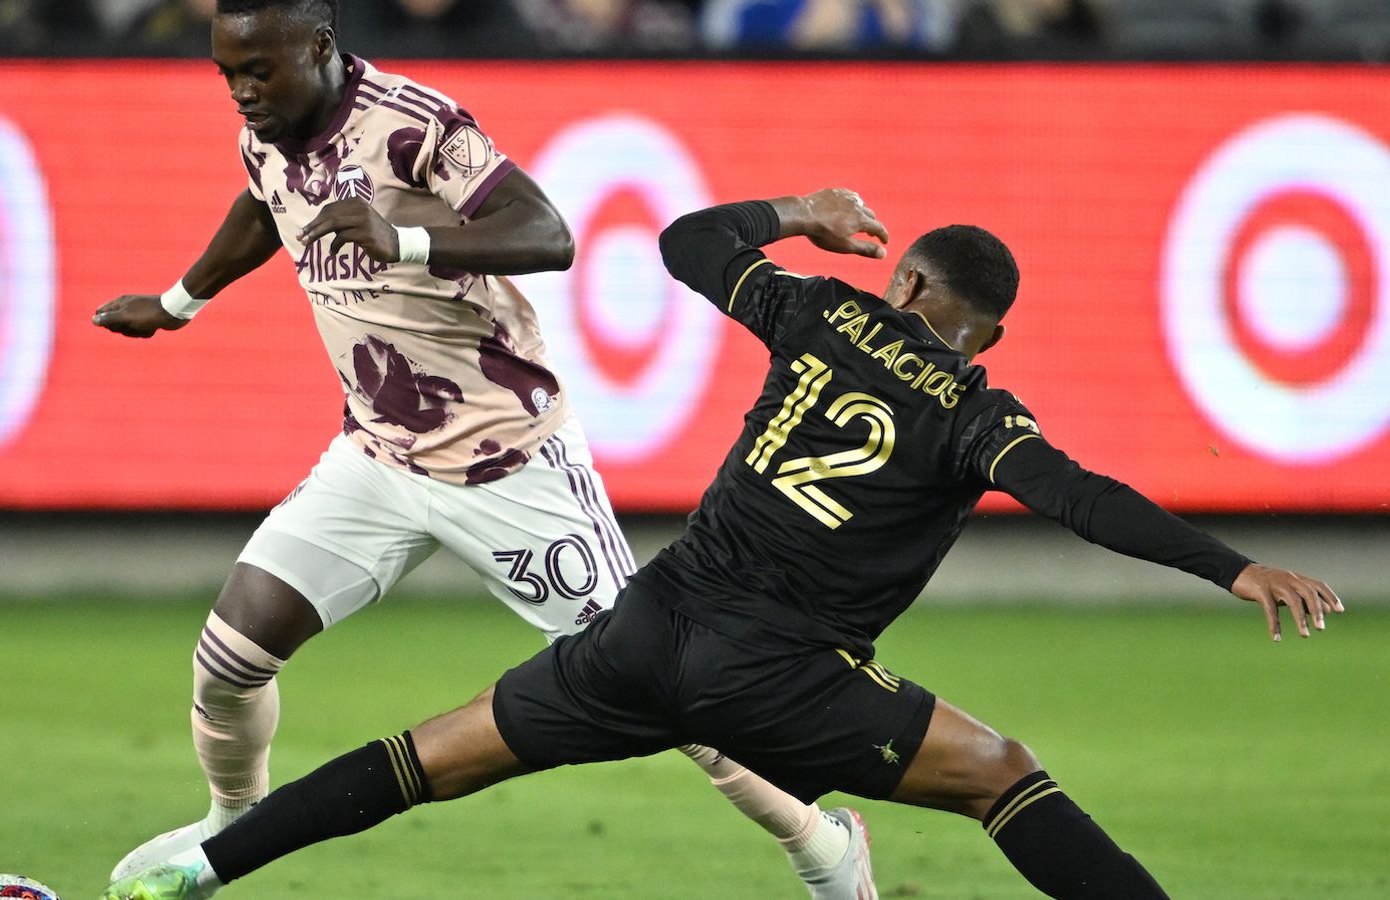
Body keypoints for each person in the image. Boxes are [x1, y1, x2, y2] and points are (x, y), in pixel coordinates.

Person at [99, 186, 1344, 900]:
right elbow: (1087, 501)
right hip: (782, 674)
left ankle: (206, 867)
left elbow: (689, 242)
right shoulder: (980, 415)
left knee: (425, 758)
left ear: (904, 284)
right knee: (1001, 775)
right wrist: (1235, 567)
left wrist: (801, 214)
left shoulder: (822, 315)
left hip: (641, 634)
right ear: (987, 336)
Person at [90, 1, 869, 896]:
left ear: (319, 47)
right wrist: (178, 303)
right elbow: (265, 206)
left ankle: (822, 841)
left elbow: (550, 234)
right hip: (377, 460)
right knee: (229, 657)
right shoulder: (268, 133)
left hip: (512, 465)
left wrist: (405, 238)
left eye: (257, 71)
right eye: (227, 74)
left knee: (663, 687)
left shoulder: (417, 127)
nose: (240, 93)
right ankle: (233, 826)